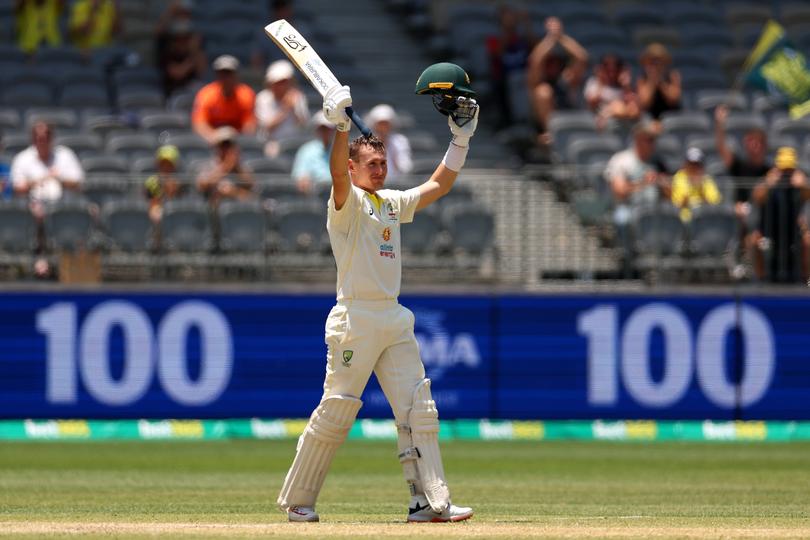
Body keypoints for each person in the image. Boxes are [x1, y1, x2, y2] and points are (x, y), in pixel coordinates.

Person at [277, 63, 478, 524]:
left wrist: (460, 140)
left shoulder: (391, 203)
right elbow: (336, 174)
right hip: (354, 320)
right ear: (353, 167)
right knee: (337, 411)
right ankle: (299, 502)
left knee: (418, 409)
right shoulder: (344, 205)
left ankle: (427, 502)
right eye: (373, 164)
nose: (381, 169)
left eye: (384, 163)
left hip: (392, 317)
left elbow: (438, 184)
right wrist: (341, 129)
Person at [604, 121, 669, 264]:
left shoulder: (658, 162)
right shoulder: (622, 160)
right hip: (628, 207)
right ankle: (628, 262)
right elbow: (619, 191)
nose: (653, 144)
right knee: (623, 219)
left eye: (654, 140)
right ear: (638, 139)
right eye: (649, 140)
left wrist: (662, 183)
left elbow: (670, 194)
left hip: (654, 209)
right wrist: (643, 182)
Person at [750, 147, 810, 282]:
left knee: (808, 242)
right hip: (769, 230)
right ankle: (761, 280)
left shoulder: (799, 184)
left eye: (789, 170)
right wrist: (767, 184)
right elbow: (757, 197)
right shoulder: (769, 181)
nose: (786, 174)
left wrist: (804, 185)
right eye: (783, 170)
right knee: (753, 241)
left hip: (793, 231)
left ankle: (807, 281)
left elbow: (808, 195)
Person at [526, 16, 589, 141]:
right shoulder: (537, 81)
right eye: (549, 63)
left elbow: (582, 58)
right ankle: (552, 134)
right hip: (544, 133)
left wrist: (560, 36)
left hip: (568, 122)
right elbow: (535, 61)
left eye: (556, 62)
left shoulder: (564, 78)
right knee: (543, 92)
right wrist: (550, 39)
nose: (553, 66)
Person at [11, 122, 84, 213]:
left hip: (63, 207)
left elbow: (78, 182)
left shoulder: (65, 155)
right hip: (31, 209)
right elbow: (18, 188)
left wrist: (59, 178)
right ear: (33, 140)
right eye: (40, 139)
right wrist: (40, 180)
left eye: (47, 138)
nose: (43, 143)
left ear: (52, 139)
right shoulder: (22, 158)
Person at [485, 5, 535, 126]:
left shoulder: (521, 39)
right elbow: (497, 52)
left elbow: (534, 48)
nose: (511, 19)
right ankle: (511, 122)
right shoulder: (493, 39)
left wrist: (526, 23)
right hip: (504, 78)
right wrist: (507, 30)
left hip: (525, 75)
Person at [192, 55, 256, 144]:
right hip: (212, 140)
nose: (226, 78)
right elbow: (199, 125)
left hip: (238, 141)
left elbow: (249, 127)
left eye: (229, 74)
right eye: (222, 74)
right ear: (217, 76)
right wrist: (215, 137)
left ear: (236, 75)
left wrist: (233, 139)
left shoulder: (246, 95)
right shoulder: (206, 94)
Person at [255, 59, 309, 157]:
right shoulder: (262, 98)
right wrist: (285, 108)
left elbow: (304, 126)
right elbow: (267, 127)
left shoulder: (298, 97)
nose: (282, 86)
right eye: (279, 82)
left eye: (285, 82)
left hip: (294, 144)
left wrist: (293, 109)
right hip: (270, 143)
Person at [196, 126, 255, 205]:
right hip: (212, 209)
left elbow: (251, 187)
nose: (226, 148)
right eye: (223, 145)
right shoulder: (207, 165)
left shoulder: (242, 168)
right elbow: (202, 185)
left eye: (229, 145)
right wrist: (226, 167)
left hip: (236, 209)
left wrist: (233, 192)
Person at [584, 54, 640, 130]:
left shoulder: (625, 88)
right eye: (607, 69)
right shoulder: (594, 83)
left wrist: (626, 85)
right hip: (600, 126)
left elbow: (634, 112)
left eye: (615, 70)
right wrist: (601, 83)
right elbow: (592, 103)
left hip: (619, 125)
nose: (611, 74)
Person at [156, 20, 206, 98]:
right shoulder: (167, 54)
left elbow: (202, 69)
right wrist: (190, 61)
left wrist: (195, 50)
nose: (182, 42)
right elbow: (177, 73)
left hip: (191, 91)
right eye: (178, 39)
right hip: (173, 94)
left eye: (185, 39)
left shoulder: (193, 52)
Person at [670, 147, 721, 222]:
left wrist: (701, 188)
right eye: (691, 164)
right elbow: (678, 203)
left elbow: (714, 204)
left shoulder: (707, 179)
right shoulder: (679, 177)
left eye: (697, 165)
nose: (694, 168)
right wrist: (692, 185)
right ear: (686, 165)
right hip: (683, 221)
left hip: (704, 220)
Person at [636, 43, 681, 124]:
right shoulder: (642, 79)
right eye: (651, 62)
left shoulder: (672, 76)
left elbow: (673, 99)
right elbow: (645, 103)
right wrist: (652, 81)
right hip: (650, 121)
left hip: (671, 118)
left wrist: (661, 82)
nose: (654, 65)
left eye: (658, 61)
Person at [291, 111, 334, 195]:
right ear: (317, 130)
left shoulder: (343, 150)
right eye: (322, 128)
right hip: (315, 196)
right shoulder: (306, 150)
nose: (325, 132)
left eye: (328, 128)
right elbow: (300, 178)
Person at [365, 104, 412, 179]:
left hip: (397, 184)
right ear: (374, 124)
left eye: (386, 123)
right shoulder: (364, 143)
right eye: (380, 124)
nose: (383, 127)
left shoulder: (400, 141)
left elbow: (405, 167)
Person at [144, 145, 185, 223]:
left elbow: (181, 205)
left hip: (176, 220)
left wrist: (173, 190)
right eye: (163, 164)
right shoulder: (151, 182)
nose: (166, 167)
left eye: (169, 164)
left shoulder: (181, 183)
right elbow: (149, 201)